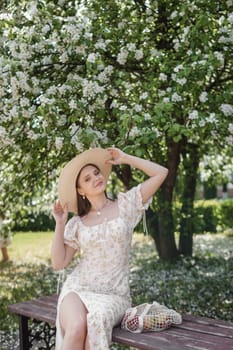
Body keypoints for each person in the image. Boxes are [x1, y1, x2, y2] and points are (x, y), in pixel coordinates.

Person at [51, 147, 168, 350]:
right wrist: (60, 224)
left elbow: (161, 173)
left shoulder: (126, 205)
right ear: (81, 191)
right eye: (87, 179)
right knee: (78, 325)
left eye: (96, 173)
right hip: (78, 288)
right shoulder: (77, 223)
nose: (95, 178)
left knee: (95, 320)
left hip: (114, 295)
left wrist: (126, 158)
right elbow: (59, 263)